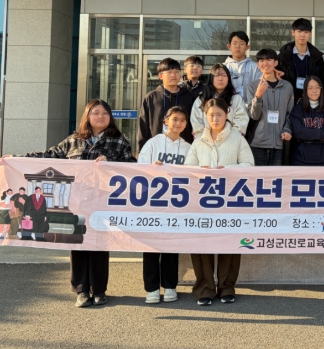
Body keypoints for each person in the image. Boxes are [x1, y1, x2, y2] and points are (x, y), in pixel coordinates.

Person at [3, 99, 135, 308]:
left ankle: (99, 290)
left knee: (100, 245)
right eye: (95, 112)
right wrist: (17, 159)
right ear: (87, 116)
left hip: (103, 202)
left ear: (110, 117)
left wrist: (112, 164)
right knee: (78, 242)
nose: (100, 116)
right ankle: (81, 291)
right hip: (78, 201)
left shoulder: (119, 141)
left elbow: (131, 167)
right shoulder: (74, 140)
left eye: (105, 113)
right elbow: (49, 155)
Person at [185, 98, 254, 305]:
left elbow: (249, 165)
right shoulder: (199, 140)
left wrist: (229, 170)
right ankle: (205, 288)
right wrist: (200, 171)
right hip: (203, 201)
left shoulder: (237, 139)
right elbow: (188, 169)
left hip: (231, 200)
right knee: (201, 245)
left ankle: (226, 287)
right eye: (211, 115)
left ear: (227, 114)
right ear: (205, 117)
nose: (215, 119)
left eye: (219, 114)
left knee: (229, 244)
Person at [137, 106, 192, 304]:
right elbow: (139, 169)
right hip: (153, 203)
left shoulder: (188, 148)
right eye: (175, 119)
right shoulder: (153, 143)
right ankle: (151, 288)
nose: (178, 123)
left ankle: (170, 286)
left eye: (182, 120)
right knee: (151, 246)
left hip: (176, 204)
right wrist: (152, 169)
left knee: (171, 246)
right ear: (165, 121)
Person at [246, 49, 294, 166]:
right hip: (258, 143)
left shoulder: (287, 86)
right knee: (258, 176)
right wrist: (258, 96)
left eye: (269, 60)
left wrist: (287, 130)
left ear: (276, 63)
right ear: (258, 65)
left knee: (277, 176)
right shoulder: (252, 86)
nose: (265, 63)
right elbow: (254, 116)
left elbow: (290, 113)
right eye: (261, 60)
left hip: (279, 143)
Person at [138, 58, 194, 152]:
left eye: (176, 72)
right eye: (169, 72)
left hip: (183, 149)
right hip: (157, 149)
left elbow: (193, 125)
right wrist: (141, 150)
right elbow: (143, 126)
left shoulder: (189, 97)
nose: (173, 75)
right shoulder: (151, 97)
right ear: (160, 76)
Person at [277, 18, 324, 103]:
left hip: (311, 101)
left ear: (310, 34)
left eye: (306, 32)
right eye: (299, 31)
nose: (302, 35)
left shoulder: (317, 57)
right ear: (293, 32)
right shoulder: (283, 56)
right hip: (288, 101)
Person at [190, 64, 249, 138]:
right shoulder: (201, 100)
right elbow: (197, 124)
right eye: (216, 75)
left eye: (224, 75)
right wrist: (207, 139)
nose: (220, 78)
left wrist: (227, 139)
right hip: (206, 142)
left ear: (228, 79)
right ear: (211, 78)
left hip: (231, 141)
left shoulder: (236, 99)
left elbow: (241, 123)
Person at [289, 76, 324, 166]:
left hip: (321, 160)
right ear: (305, 90)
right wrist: (319, 135)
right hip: (300, 159)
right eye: (310, 88)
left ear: (321, 89)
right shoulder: (298, 109)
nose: (314, 91)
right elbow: (297, 131)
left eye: (317, 87)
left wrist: (306, 134)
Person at [224, 31, 262, 98]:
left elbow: (260, 87)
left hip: (250, 103)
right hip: (227, 103)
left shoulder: (255, 67)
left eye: (241, 44)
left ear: (247, 47)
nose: (238, 46)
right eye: (235, 43)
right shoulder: (223, 67)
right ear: (229, 46)